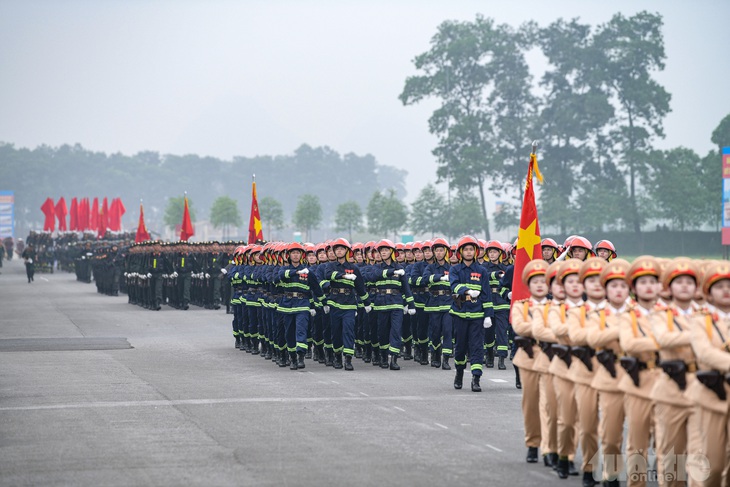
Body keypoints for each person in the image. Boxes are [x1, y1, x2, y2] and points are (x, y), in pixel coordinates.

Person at [648, 258, 701, 487]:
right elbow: (662, 338)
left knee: (702, 454)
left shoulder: (708, 314)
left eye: (689, 281)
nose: (685, 286)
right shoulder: (660, 314)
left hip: (703, 388)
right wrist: (700, 335)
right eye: (678, 282)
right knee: (671, 454)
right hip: (671, 387)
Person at [586, 259, 631, 487]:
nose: (619, 290)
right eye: (613, 286)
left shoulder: (641, 312)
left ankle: (638, 477)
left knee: (642, 435)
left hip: (640, 378)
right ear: (606, 289)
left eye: (623, 285)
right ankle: (611, 474)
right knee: (611, 434)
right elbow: (593, 338)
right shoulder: (597, 313)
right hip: (611, 377)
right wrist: (622, 328)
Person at [618, 256, 661, 487]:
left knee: (669, 439)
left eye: (652, 281)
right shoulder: (628, 315)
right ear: (634, 287)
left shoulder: (669, 313)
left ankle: (670, 479)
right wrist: (663, 341)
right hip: (638, 381)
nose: (648, 286)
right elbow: (629, 343)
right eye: (642, 282)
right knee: (637, 439)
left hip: (668, 383)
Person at [688, 261, 730, 487]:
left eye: (729, 285)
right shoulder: (700, 319)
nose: (726, 290)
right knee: (713, 464)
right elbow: (703, 352)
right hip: (712, 395)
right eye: (720, 286)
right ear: (709, 292)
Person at [568, 257, 608, 487]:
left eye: (600, 280)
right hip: (585, 373)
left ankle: (611, 473)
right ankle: (590, 468)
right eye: (590, 280)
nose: (596, 284)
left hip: (615, 376)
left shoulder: (624, 312)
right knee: (588, 425)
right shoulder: (576, 311)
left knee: (612, 432)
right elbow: (576, 335)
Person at [511, 259, 549, 464]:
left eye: (544, 280)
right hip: (528, 358)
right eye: (535, 281)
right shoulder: (521, 306)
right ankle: (533, 443)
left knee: (550, 404)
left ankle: (550, 447)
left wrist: (534, 326)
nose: (540, 284)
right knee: (531, 404)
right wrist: (544, 327)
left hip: (552, 358)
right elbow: (519, 327)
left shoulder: (556, 307)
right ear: (528, 284)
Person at [449, 235, 493, 392]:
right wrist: (466, 290)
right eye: (466, 249)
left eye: (471, 249)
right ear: (461, 252)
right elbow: (453, 286)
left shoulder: (482, 271)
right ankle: (459, 373)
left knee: (477, 348)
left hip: (477, 316)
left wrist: (488, 315)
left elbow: (487, 295)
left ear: (475, 251)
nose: (469, 252)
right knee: (460, 348)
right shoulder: (455, 269)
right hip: (459, 314)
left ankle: (476, 378)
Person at [366, 239, 415, 370]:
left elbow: (406, 288)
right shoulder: (376, 267)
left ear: (392, 252)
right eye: (381, 251)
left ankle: (393, 359)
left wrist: (411, 304)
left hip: (396, 303)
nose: (383, 253)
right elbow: (373, 276)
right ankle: (383, 356)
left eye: (386, 250)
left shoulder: (400, 269)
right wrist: (390, 272)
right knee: (382, 332)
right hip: (381, 304)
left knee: (396, 331)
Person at [324, 238, 371, 370]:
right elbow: (328, 275)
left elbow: (360, 287)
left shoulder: (353, 268)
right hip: (334, 303)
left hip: (349, 304)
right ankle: (337, 356)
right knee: (336, 332)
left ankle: (348, 359)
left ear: (346, 251)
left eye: (342, 249)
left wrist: (367, 303)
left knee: (349, 331)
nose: (339, 251)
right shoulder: (330, 266)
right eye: (337, 249)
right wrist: (344, 276)